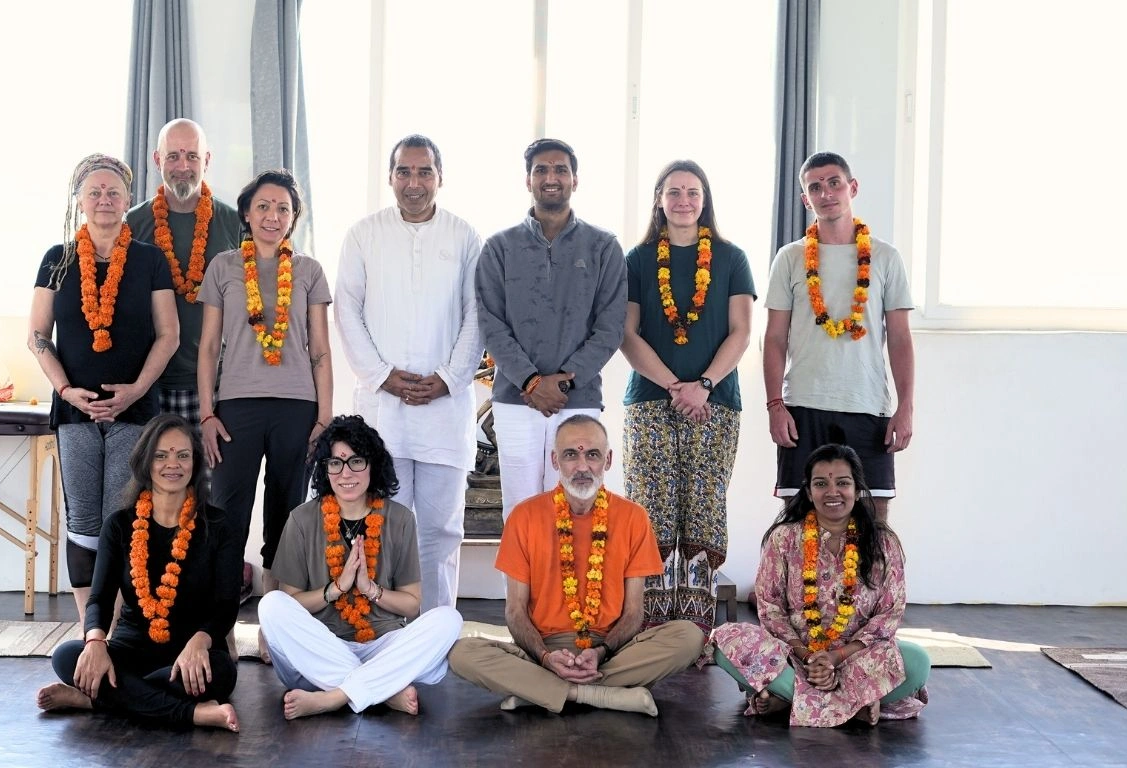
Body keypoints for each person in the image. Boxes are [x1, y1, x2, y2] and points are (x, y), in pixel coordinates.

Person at [448, 415, 704, 716]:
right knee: (461, 653)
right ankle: (597, 694)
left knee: (690, 636)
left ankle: (538, 690)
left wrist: (600, 651)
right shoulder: (524, 516)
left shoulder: (633, 517)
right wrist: (544, 657)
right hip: (542, 649)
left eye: (592, 454)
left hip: (611, 650)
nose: (582, 466)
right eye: (571, 454)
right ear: (555, 460)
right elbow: (515, 611)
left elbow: (635, 612)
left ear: (607, 460)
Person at [334, 134, 484, 611]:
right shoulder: (363, 234)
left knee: (441, 529)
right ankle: (381, 629)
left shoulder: (464, 237)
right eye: (404, 171)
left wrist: (448, 378)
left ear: (441, 177)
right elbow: (347, 310)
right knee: (381, 523)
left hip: (444, 408)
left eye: (424, 172)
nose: (414, 183)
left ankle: (435, 631)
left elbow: (476, 313)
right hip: (384, 409)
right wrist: (382, 375)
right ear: (390, 177)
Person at [28, 153, 179, 618]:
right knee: (82, 521)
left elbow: (168, 335)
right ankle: (89, 626)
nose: (104, 200)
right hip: (75, 412)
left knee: (123, 519)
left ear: (128, 199)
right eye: (93, 192)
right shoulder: (58, 259)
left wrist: (134, 390)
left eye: (113, 191)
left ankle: (119, 626)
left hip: (134, 413)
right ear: (79, 201)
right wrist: (65, 390)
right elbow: (37, 338)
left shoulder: (151, 260)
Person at [37, 414, 242, 731]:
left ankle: (94, 699)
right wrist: (95, 643)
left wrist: (200, 642)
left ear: (195, 462)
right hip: (129, 650)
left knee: (219, 673)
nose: (172, 464)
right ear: (146, 462)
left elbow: (226, 605)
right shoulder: (119, 525)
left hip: (193, 653)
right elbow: (100, 599)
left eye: (182, 455)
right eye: (161, 455)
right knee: (67, 656)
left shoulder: (218, 526)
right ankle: (191, 713)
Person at [619, 160, 755, 634]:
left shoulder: (732, 258)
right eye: (673, 191)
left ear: (705, 200)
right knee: (650, 510)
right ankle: (651, 630)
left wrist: (704, 385)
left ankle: (694, 632)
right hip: (650, 403)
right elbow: (627, 334)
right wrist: (676, 386)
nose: (683, 200)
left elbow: (741, 333)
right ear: (658, 198)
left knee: (703, 508)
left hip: (715, 403)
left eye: (692, 192)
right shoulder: (636, 260)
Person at [258, 415, 463, 720]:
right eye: (335, 463)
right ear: (325, 469)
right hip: (319, 649)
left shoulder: (400, 518)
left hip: (382, 644)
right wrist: (336, 589)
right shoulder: (301, 519)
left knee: (449, 619)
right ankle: (383, 689)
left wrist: (371, 589)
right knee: (271, 605)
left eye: (356, 461)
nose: (345, 474)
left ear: (373, 464)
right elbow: (292, 604)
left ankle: (334, 697)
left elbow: (410, 605)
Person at [711, 443, 930, 727]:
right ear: (809, 491)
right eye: (821, 483)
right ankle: (855, 706)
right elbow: (770, 607)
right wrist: (807, 655)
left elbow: (889, 612)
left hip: (858, 659)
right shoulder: (784, 539)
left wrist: (838, 656)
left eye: (842, 483)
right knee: (725, 640)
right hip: (796, 654)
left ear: (857, 489)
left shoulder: (883, 542)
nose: (832, 492)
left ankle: (790, 700)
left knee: (916, 661)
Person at [197, 169, 332, 599]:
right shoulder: (224, 266)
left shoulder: (309, 270)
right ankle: (219, 627)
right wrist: (206, 413)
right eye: (264, 206)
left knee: (288, 510)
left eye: (283, 208)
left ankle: (278, 619)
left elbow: (320, 351)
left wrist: (324, 416)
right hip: (236, 405)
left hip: (297, 406)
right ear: (246, 213)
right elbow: (207, 348)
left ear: (294, 218)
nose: (273, 216)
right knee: (226, 510)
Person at [476, 138, 627, 521]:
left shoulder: (604, 247)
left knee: (575, 509)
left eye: (560, 169)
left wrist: (563, 383)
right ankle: (521, 585)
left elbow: (610, 327)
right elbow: (491, 323)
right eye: (541, 169)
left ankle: (572, 585)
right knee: (521, 512)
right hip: (515, 399)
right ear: (527, 181)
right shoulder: (499, 247)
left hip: (577, 400)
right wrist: (530, 382)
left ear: (575, 180)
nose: (551, 177)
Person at [763, 151, 915, 522]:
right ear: (805, 199)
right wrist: (774, 406)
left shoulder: (885, 257)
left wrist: (906, 406)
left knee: (873, 518)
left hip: (867, 405)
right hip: (803, 405)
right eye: (815, 187)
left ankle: (871, 584)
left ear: (852, 187)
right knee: (798, 520)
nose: (826, 193)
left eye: (834, 183)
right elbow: (774, 339)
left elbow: (899, 339)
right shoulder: (790, 258)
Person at [127, 119, 242, 433]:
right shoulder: (132, 223)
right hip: (148, 384)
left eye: (192, 156)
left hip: (217, 385)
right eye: (173, 156)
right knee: (154, 481)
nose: (182, 166)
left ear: (206, 160)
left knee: (212, 482)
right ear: (156, 159)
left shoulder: (235, 223)